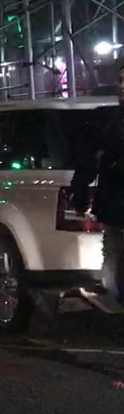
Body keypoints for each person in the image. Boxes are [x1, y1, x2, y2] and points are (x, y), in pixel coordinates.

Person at [72, 64, 124, 305]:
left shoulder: (110, 123)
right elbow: (88, 161)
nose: (122, 86)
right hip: (115, 207)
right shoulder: (109, 123)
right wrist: (80, 194)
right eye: (120, 80)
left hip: (114, 205)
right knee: (113, 256)